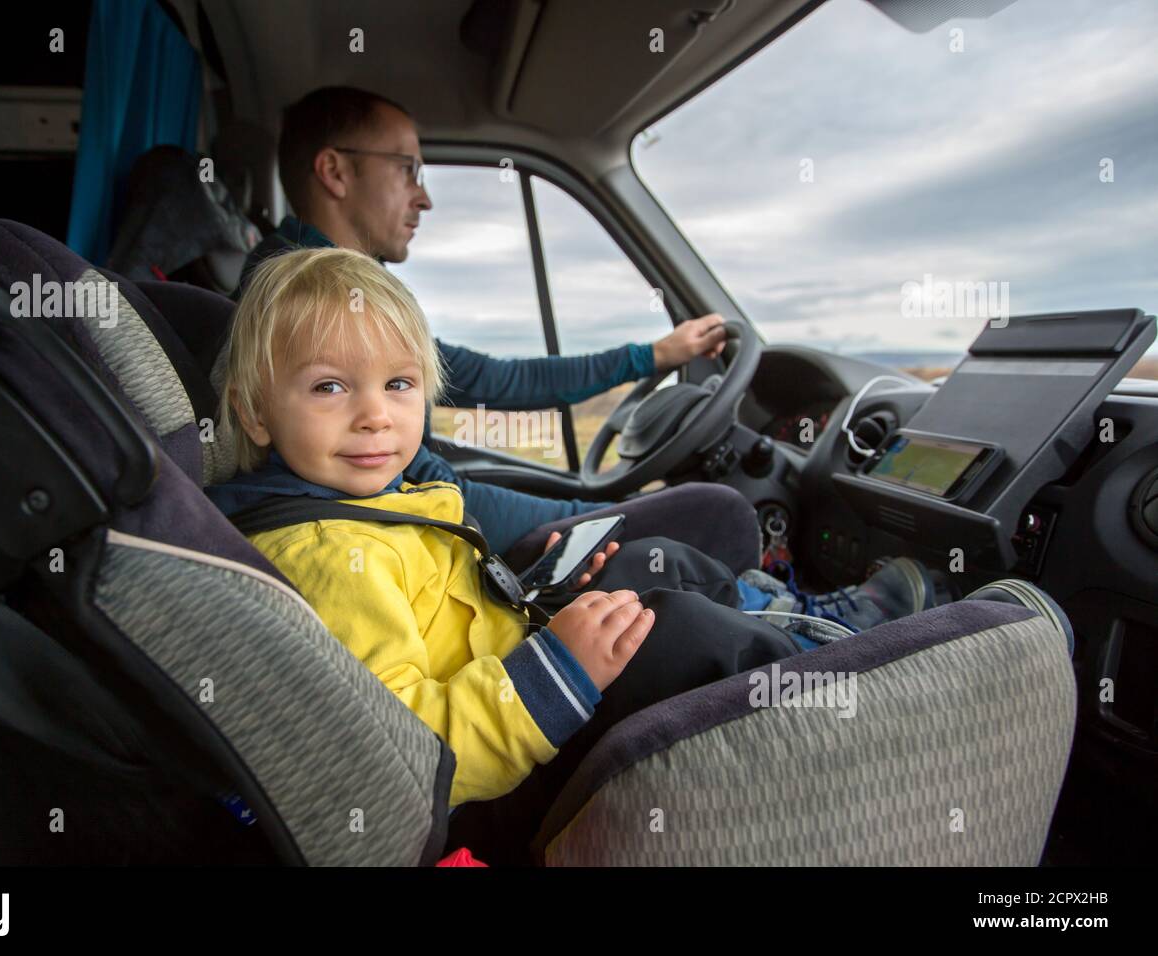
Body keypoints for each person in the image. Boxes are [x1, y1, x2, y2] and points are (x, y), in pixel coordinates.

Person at [206, 247, 1023, 863]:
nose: (375, 418)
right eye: (327, 388)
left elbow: (446, 611)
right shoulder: (328, 554)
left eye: (399, 385)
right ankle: (858, 661)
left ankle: (797, 617)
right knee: (672, 632)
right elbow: (403, 755)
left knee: (648, 561)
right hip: (501, 773)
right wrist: (555, 669)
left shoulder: (375, 505)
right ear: (253, 413)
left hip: (501, 671)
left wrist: (536, 602)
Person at [238, 85, 760, 568]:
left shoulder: (339, 299)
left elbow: (497, 383)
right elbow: (445, 455)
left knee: (611, 508)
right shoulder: (298, 303)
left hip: (433, 508)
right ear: (334, 172)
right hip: (422, 522)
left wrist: (653, 358)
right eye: (408, 170)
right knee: (719, 514)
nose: (424, 198)